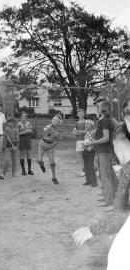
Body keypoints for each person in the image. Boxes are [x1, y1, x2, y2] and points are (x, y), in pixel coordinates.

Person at [73, 97, 130, 269]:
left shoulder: (127, 169)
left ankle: (107, 199)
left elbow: (120, 214)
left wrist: (92, 230)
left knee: (117, 258)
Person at [86, 100, 118, 206]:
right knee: (109, 175)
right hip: (103, 151)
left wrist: (93, 142)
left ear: (103, 109)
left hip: (105, 151)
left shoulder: (106, 120)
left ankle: (109, 201)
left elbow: (106, 138)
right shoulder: (103, 120)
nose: (97, 109)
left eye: (98, 107)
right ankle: (112, 196)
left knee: (105, 176)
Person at [37, 114, 63, 185]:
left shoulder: (59, 131)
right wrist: (49, 129)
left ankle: (54, 177)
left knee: (52, 162)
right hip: (42, 144)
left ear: (59, 122)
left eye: (57, 120)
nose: (55, 121)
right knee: (39, 160)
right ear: (52, 120)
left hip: (50, 146)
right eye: (54, 119)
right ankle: (41, 163)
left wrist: (53, 145)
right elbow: (45, 129)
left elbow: (58, 140)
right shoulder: (49, 126)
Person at [82, 119, 98, 187]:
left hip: (91, 151)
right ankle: (88, 180)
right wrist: (83, 144)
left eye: (88, 124)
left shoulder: (94, 132)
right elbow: (86, 140)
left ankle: (94, 182)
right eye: (85, 124)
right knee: (85, 166)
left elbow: (96, 141)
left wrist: (90, 144)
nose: (86, 125)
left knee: (91, 166)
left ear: (92, 125)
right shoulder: (86, 132)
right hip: (84, 150)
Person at [73, 109, 86, 177]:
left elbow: (88, 131)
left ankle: (91, 170)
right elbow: (74, 132)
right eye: (79, 113)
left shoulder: (86, 122)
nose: (80, 114)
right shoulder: (76, 123)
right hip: (79, 141)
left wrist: (79, 132)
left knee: (88, 156)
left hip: (86, 141)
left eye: (81, 113)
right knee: (81, 157)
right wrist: (82, 131)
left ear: (84, 114)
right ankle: (84, 170)